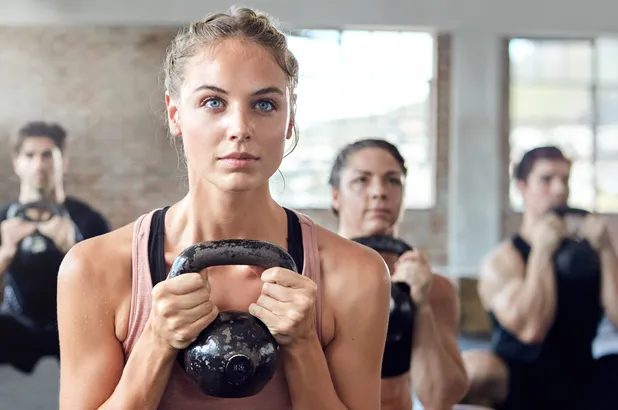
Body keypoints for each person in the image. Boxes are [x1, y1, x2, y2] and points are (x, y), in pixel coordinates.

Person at [56, 6, 391, 410]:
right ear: (175, 113)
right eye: (214, 102)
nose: (240, 128)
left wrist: (303, 346)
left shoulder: (357, 275)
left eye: (264, 104)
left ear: (290, 120)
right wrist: (157, 341)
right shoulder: (93, 269)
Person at [459, 146, 618, 410]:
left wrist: (607, 250)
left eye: (565, 180)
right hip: (519, 381)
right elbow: (531, 330)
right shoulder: (502, 261)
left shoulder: (592, 251)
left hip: (581, 377)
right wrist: (542, 252)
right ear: (522, 188)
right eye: (547, 180)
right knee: (468, 372)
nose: (560, 190)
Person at [329, 139, 470, 410]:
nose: (379, 192)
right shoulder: (313, 277)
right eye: (361, 180)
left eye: (393, 181)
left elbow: (440, 399)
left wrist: (423, 306)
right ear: (336, 195)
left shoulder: (435, 287)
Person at [0, 121, 111, 374]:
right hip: (17, 326)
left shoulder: (88, 219)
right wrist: (4, 253)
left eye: (47, 155)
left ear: (63, 162)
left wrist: (73, 247)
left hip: (74, 327)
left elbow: (113, 292)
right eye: (30, 156)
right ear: (17, 163)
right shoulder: (2, 219)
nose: (39, 165)